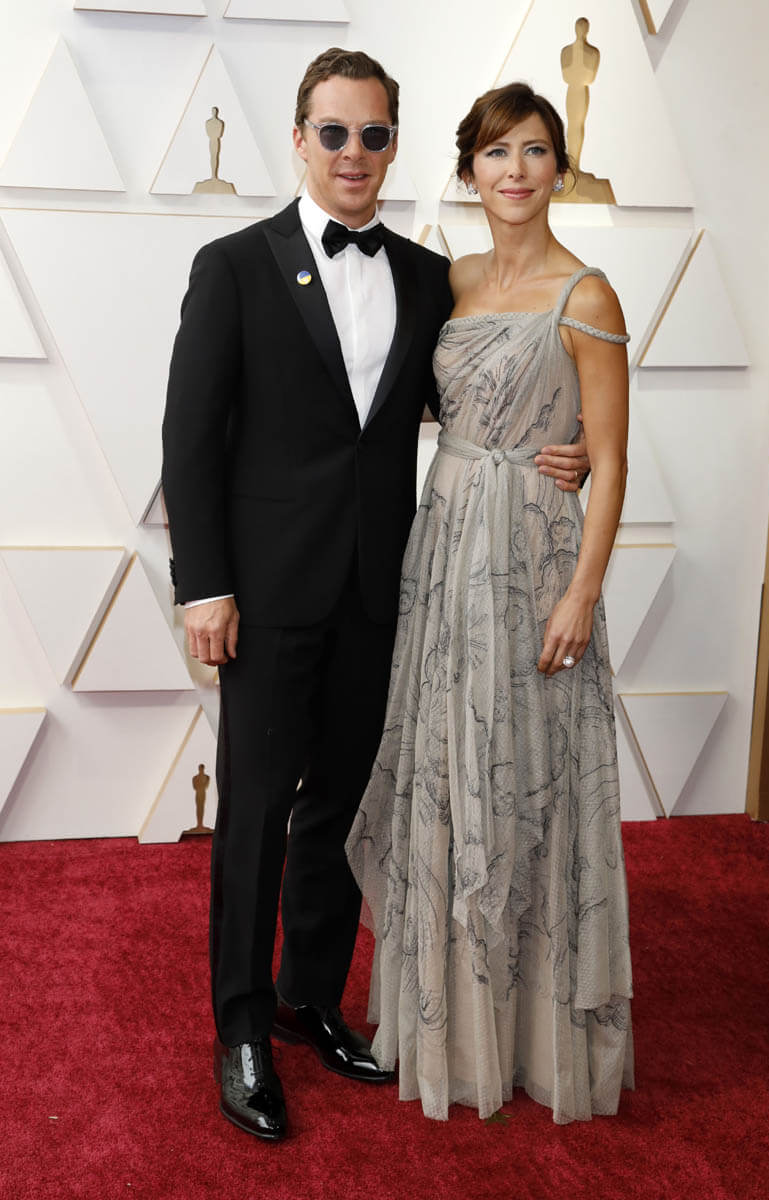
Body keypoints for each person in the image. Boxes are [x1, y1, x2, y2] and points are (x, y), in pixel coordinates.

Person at [162, 51, 590, 1143]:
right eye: (334, 133)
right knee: (254, 813)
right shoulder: (233, 267)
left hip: (386, 589)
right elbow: (190, 440)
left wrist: (573, 446)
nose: (354, 154)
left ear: (394, 144)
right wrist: (204, 586)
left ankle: (308, 998)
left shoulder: (428, 277)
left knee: (345, 806)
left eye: (375, 134)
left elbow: (489, 389)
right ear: (299, 140)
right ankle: (241, 1029)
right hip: (263, 595)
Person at [346, 81, 634, 1125]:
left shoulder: (587, 295)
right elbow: (421, 402)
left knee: (525, 780)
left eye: (535, 151)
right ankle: (450, 1027)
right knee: (449, 769)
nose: (515, 170)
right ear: (468, 170)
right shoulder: (450, 281)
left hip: (535, 558)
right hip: (444, 547)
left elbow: (610, 462)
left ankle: (529, 1037)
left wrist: (581, 593)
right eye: (496, 152)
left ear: (559, 169)